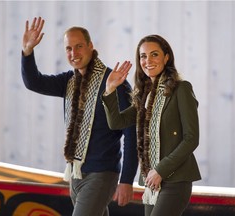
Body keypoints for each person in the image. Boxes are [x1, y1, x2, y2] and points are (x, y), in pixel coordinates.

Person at [21, 17, 138, 216]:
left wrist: (126, 180)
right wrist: (27, 51)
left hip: (102, 174)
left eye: (79, 46)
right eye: (69, 49)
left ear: (91, 46)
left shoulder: (114, 83)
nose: (74, 53)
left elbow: (131, 133)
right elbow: (34, 82)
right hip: (76, 174)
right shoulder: (69, 81)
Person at [102, 34, 201, 216]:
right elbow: (117, 123)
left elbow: (191, 138)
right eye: (143, 56)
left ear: (166, 57)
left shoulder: (182, 89)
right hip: (151, 181)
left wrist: (160, 170)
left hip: (175, 180)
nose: (148, 60)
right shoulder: (144, 95)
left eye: (154, 54)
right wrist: (109, 90)